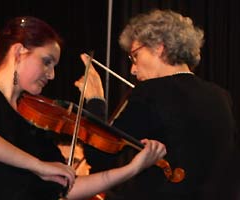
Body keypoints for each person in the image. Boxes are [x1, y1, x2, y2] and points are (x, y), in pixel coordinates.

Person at [0, 16, 166, 200]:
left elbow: (69, 186)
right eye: (46, 61)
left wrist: (132, 169)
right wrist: (38, 166)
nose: (52, 75)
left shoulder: (34, 123)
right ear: (19, 51)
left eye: (54, 66)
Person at [75, 9, 238, 200]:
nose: (133, 69)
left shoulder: (149, 92)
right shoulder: (221, 96)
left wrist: (95, 100)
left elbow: (99, 157)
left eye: (135, 56)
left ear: (159, 48)